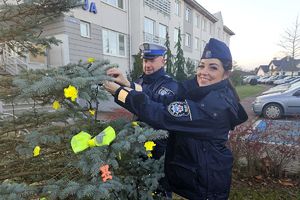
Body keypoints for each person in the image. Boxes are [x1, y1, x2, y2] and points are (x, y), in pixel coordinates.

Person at [104, 38, 248, 199]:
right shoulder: (203, 91)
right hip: (197, 176)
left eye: (213, 67)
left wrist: (119, 93)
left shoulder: (214, 105)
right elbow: (162, 100)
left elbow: (162, 114)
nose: (204, 72)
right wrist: (128, 85)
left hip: (205, 186)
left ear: (226, 74)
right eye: (201, 65)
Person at [106, 42, 178, 160]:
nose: (147, 65)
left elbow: (149, 107)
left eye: (152, 60)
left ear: (163, 61)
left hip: (157, 146)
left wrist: (119, 91)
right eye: (145, 60)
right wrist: (117, 85)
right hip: (136, 140)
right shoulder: (140, 81)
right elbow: (132, 103)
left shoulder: (170, 85)